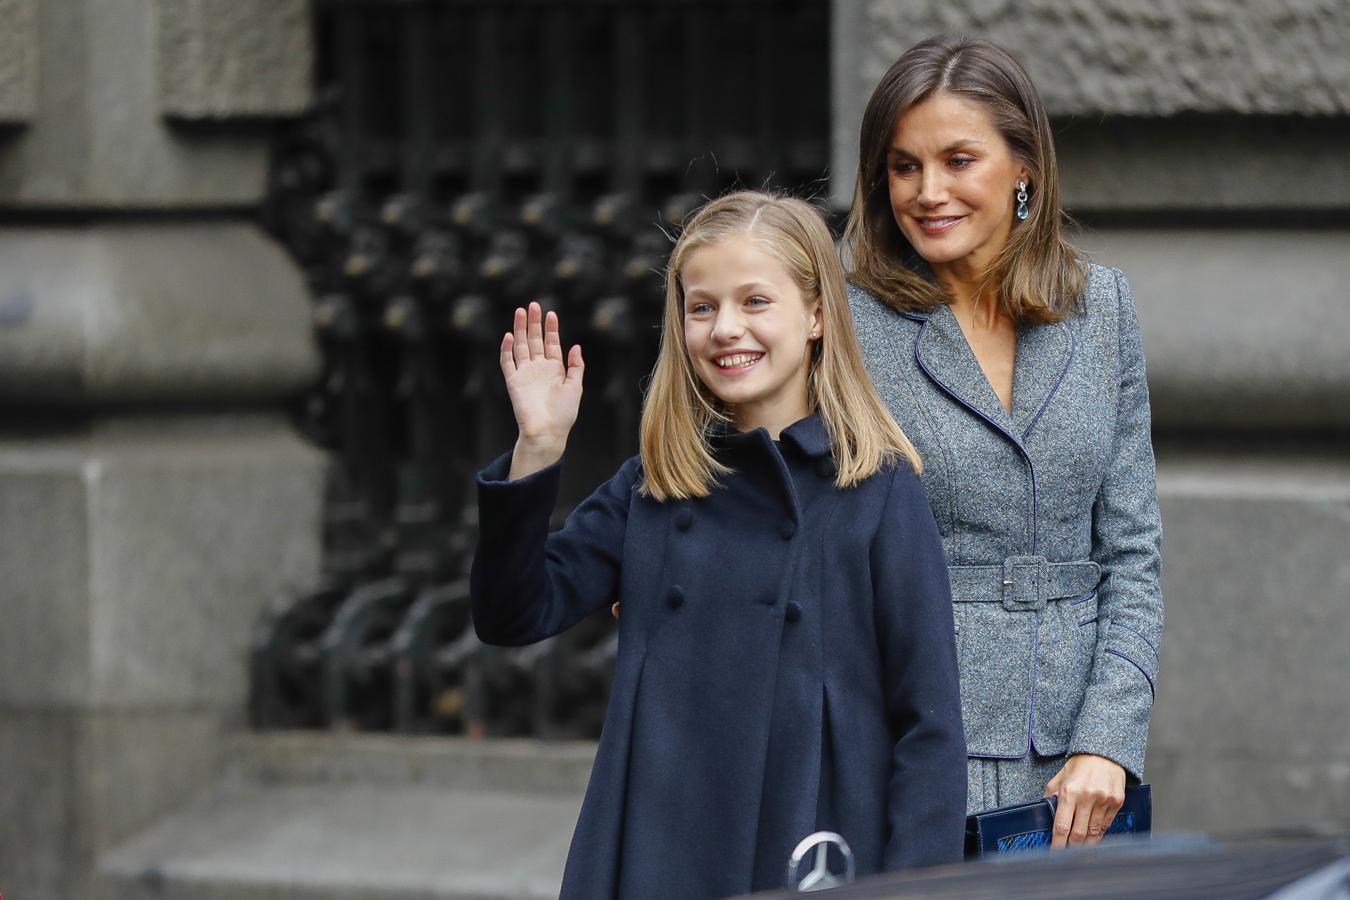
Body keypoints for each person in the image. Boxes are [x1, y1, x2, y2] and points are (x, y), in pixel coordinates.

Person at [471, 191, 966, 898]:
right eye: (702, 308)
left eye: (755, 301)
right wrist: (538, 448)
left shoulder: (879, 490)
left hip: (810, 848)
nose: (726, 328)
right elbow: (513, 613)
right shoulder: (655, 484)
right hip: (656, 847)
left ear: (818, 313)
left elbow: (929, 727)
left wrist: (915, 888)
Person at [843, 35, 1164, 850]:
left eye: (959, 159)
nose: (928, 191)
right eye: (904, 166)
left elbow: (1133, 551)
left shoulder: (1104, 309)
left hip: (1076, 772)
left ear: (1024, 167)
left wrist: (1110, 738)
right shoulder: (847, 325)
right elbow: (758, 483)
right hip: (909, 742)